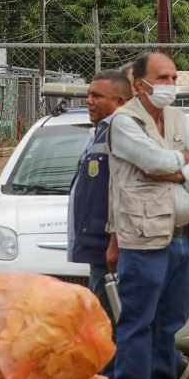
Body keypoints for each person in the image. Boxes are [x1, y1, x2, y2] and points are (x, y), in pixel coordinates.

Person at [106, 51, 189, 379]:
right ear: (139, 83)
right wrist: (182, 162)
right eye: (161, 78)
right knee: (138, 320)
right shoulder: (123, 121)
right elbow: (152, 162)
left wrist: (177, 167)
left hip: (183, 236)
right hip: (144, 236)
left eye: (172, 77)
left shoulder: (178, 117)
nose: (169, 85)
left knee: (170, 321)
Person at [66, 71, 133, 322]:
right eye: (88, 95)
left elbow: (124, 189)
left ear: (120, 102)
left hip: (108, 246)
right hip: (97, 246)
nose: (89, 101)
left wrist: (114, 243)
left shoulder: (121, 133)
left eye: (97, 95)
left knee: (111, 322)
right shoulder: (98, 132)